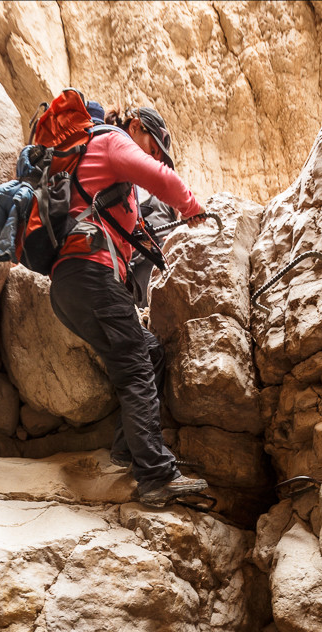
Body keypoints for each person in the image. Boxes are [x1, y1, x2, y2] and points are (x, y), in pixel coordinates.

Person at [48, 104, 208, 506]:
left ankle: (127, 451)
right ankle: (155, 477)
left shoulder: (95, 166)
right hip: (90, 275)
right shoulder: (111, 140)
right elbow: (158, 176)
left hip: (70, 286)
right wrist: (192, 207)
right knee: (135, 366)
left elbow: (128, 229)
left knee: (148, 352)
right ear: (136, 126)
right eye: (153, 146)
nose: (153, 157)